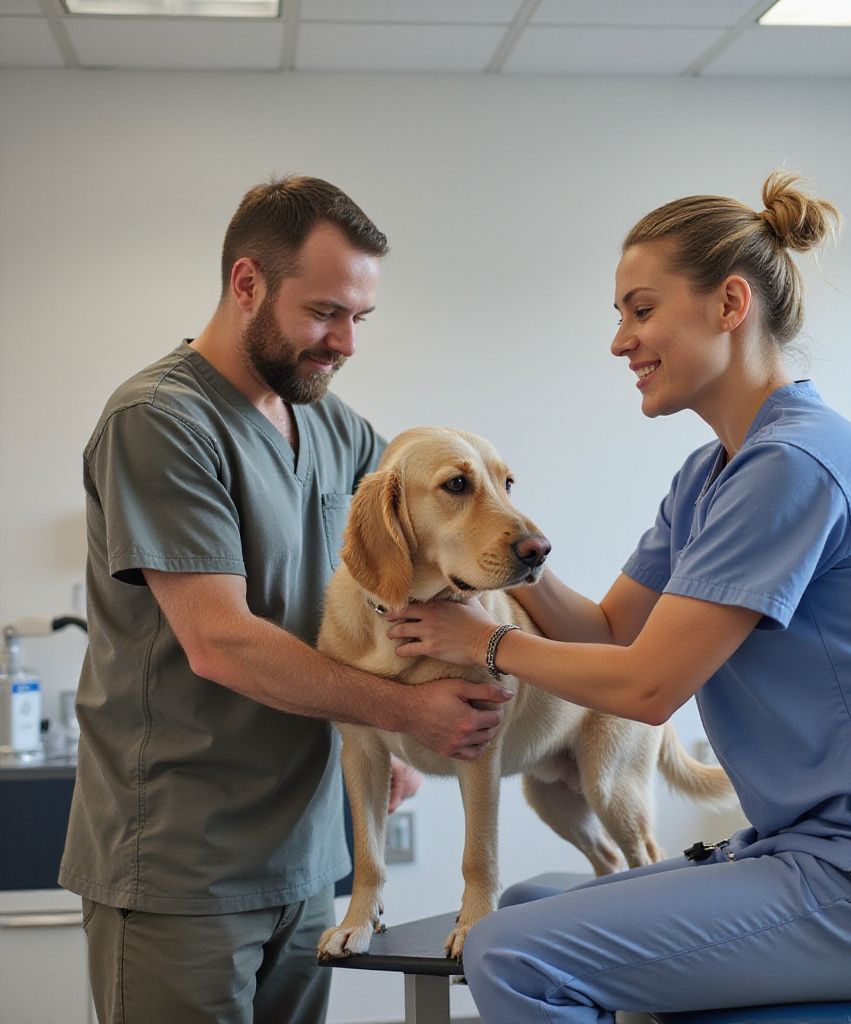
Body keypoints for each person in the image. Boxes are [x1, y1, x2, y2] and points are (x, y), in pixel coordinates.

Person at [384, 171, 851, 1021]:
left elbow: (648, 689)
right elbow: (611, 631)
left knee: (509, 954)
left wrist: (482, 642)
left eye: (640, 311)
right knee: (535, 921)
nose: (620, 341)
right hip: (840, 854)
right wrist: (509, 557)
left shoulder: (792, 464)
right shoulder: (709, 476)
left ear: (730, 304)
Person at [59, 176, 512, 1024]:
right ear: (246, 284)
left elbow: (394, 587)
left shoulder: (340, 431)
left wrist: (404, 722)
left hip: (308, 863)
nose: (343, 342)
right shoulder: (162, 421)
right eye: (324, 313)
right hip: (180, 868)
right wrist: (404, 711)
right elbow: (220, 642)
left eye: (358, 320)